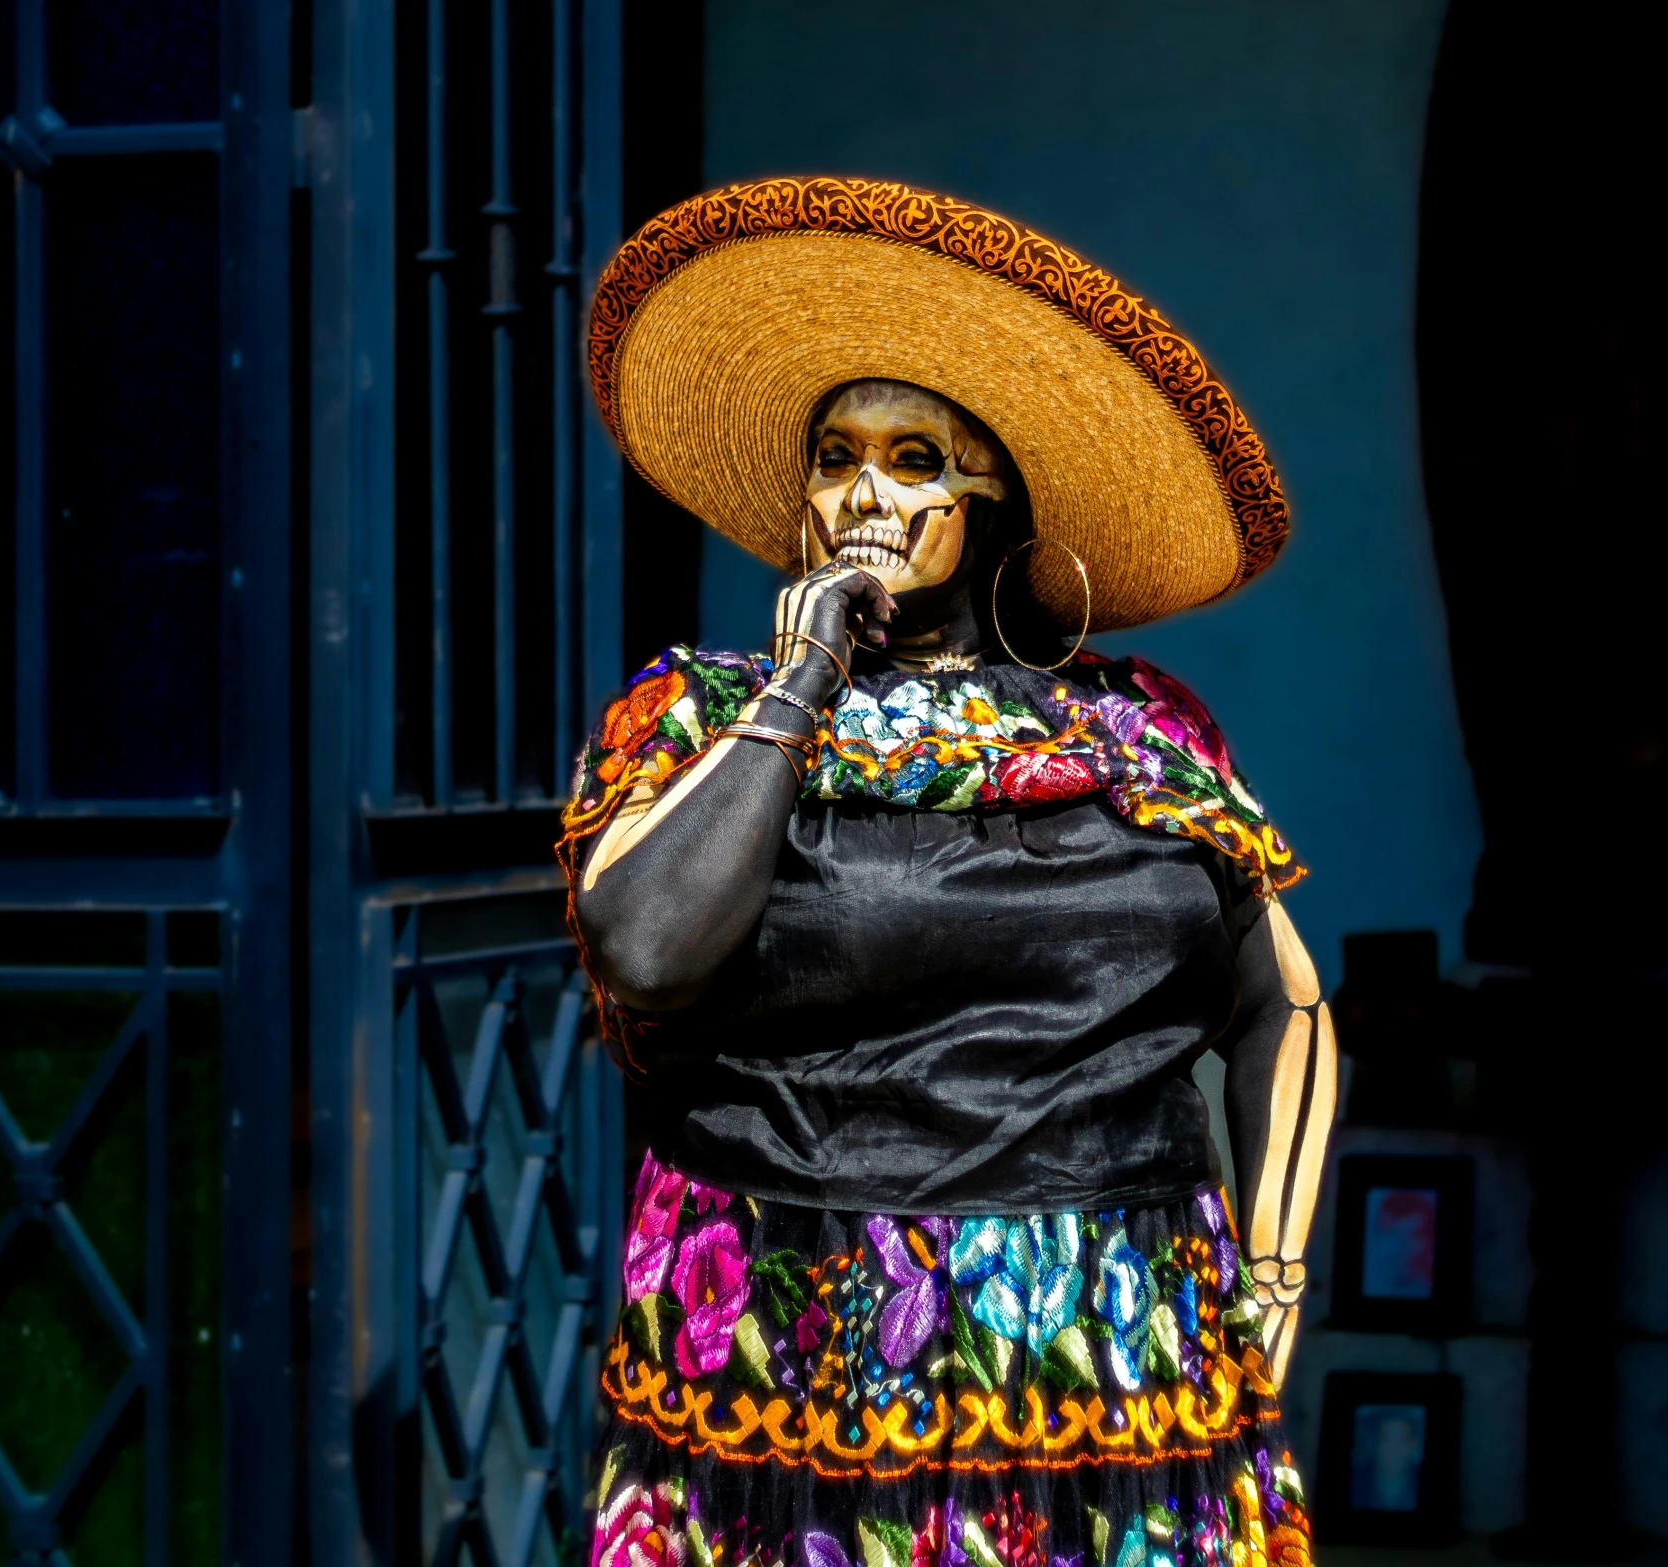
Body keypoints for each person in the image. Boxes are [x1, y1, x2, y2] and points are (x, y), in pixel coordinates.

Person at [563, 177, 1337, 1567]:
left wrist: (1274, 1268)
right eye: (835, 455)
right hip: (793, 1343)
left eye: (915, 458)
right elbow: (643, 950)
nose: (863, 492)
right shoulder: (700, 717)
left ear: (996, 503)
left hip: (1116, 1342)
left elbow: (1282, 1001)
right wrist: (803, 674)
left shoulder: (1138, 729)